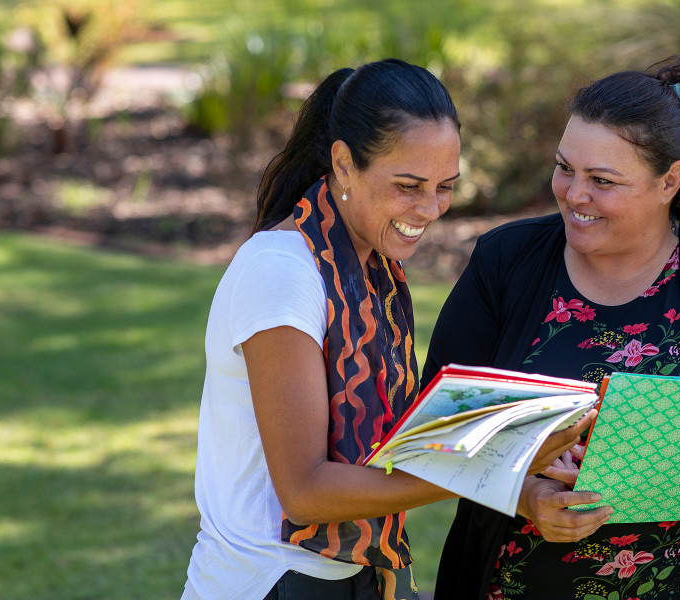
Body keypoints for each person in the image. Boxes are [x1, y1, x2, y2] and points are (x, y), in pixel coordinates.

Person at [179, 58, 594, 600]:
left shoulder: (372, 271)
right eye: (408, 185)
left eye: (446, 187)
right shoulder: (282, 272)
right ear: (344, 163)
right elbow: (304, 489)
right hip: (269, 582)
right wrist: (495, 460)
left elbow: (398, 453)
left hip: (358, 579)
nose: (429, 209)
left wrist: (522, 478)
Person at [424, 55, 680, 600]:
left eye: (602, 180)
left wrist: (636, 473)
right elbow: (436, 426)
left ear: (669, 181)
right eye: (565, 168)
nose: (574, 195)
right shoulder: (504, 262)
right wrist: (527, 494)